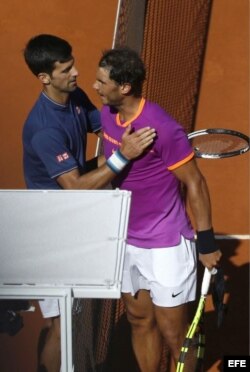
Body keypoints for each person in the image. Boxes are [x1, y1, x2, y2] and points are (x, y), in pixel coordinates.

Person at [22, 35, 156, 372]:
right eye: (66, 69)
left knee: (72, 313)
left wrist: (152, 136)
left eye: (73, 64)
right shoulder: (44, 129)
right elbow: (76, 188)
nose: (76, 73)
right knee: (61, 323)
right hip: (50, 231)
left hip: (74, 218)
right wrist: (123, 156)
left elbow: (107, 129)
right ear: (44, 78)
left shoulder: (74, 96)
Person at [93, 47, 222, 371]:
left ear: (124, 87)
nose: (95, 86)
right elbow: (106, 158)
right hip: (125, 239)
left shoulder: (162, 128)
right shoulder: (108, 113)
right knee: (139, 320)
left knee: (173, 331)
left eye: (101, 81)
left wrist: (205, 243)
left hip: (165, 243)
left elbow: (195, 182)